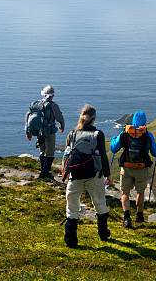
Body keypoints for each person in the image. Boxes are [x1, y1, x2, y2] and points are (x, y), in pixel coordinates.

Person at [62, 104, 113, 248]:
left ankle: (70, 240)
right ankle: (103, 234)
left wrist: (65, 172)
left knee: (72, 207)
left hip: (75, 176)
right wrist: (108, 175)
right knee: (100, 204)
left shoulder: (72, 134)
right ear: (94, 119)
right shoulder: (98, 134)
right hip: (94, 176)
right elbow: (103, 157)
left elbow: (67, 155)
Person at [111, 110, 156, 228]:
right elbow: (155, 153)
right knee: (140, 192)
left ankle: (127, 218)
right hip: (141, 169)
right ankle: (139, 216)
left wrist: (114, 139)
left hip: (126, 168)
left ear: (133, 121)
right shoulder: (148, 135)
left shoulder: (125, 133)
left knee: (125, 193)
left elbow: (114, 149)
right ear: (144, 122)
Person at [25, 85, 65, 180]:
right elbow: (60, 118)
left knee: (42, 151)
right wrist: (62, 126)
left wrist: (28, 131)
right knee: (50, 152)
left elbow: (28, 116)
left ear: (43, 94)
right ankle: (45, 173)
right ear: (53, 95)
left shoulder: (36, 104)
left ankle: (43, 171)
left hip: (39, 132)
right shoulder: (53, 105)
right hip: (49, 132)